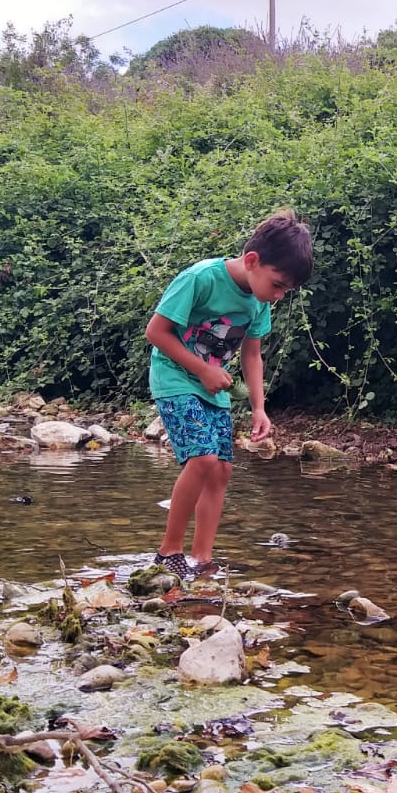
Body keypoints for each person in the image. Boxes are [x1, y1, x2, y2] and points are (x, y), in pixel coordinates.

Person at [145, 209, 313, 581]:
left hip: (213, 388)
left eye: (287, 290)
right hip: (175, 378)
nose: (280, 295)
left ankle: (201, 559)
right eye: (278, 284)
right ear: (252, 261)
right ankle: (168, 551)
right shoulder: (200, 279)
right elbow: (156, 332)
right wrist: (202, 369)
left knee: (221, 469)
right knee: (202, 458)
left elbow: (252, 354)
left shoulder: (258, 302)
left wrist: (259, 407)